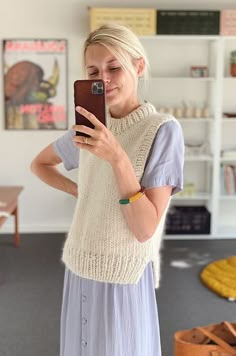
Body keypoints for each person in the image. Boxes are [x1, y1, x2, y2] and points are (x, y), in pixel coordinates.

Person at [31, 23, 184, 356]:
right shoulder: (90, 126)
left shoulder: (162, 131)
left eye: (114, 67)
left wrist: (117, 158)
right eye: (94, 71)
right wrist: (82, 192)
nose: (105, 78)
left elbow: (144, 229)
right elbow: (40, 164)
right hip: (81, 264)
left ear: (138, 66)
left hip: (123, 273)